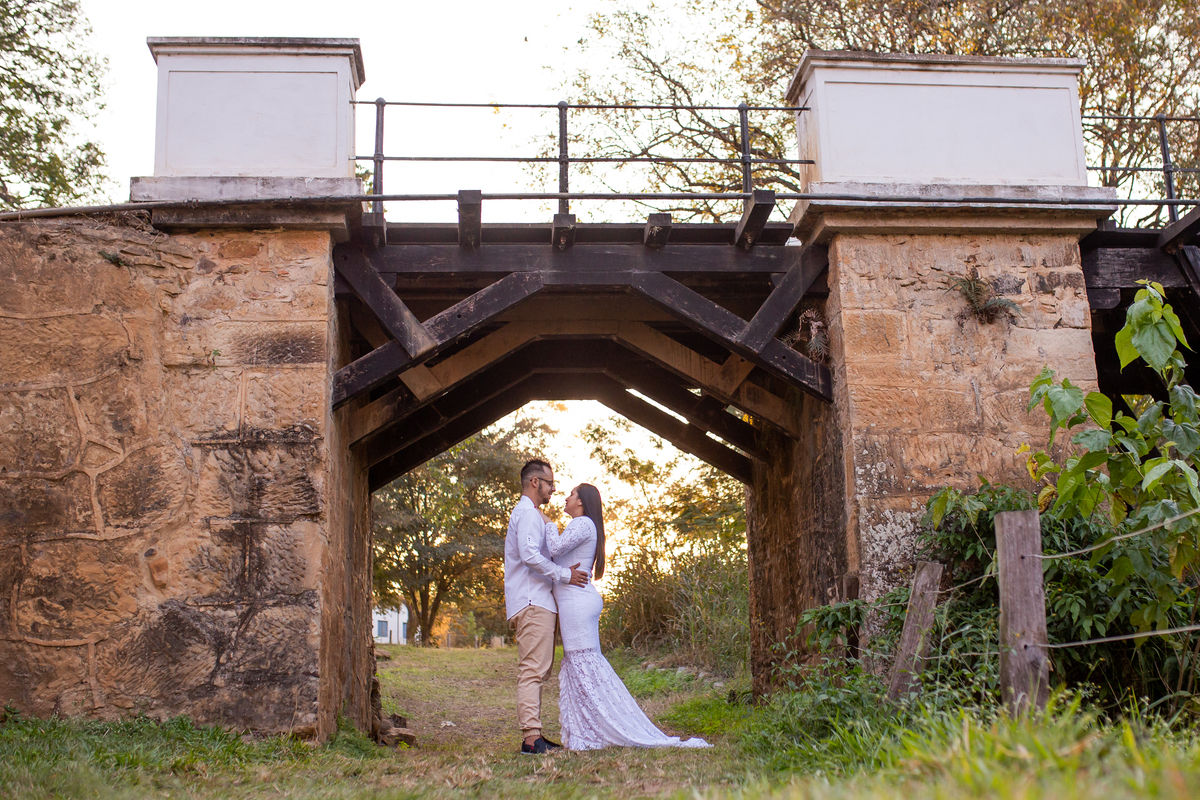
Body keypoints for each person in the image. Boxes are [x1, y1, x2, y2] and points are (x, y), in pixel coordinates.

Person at [542, 483, 711, 750]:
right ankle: (589, 730)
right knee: (583, 663)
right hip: (577, 601)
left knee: (583, 663)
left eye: (571, 494)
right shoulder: (584, 524)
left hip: (576, 602)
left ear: (583, 502)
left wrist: (547, 521)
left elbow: (553, 548)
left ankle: (606, 726)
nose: (565, 497)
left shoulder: (582, 523)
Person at [504, 459, 589, 756]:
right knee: (532, 670)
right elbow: (529, 556)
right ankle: (531, 739)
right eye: (551, 483)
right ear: (535, 482)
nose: (554, 488)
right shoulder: (528, 514)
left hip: (538, 601)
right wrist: (566, 575)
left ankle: (534, 734)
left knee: (538, 670)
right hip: (532, 601)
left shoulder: (534, 515)